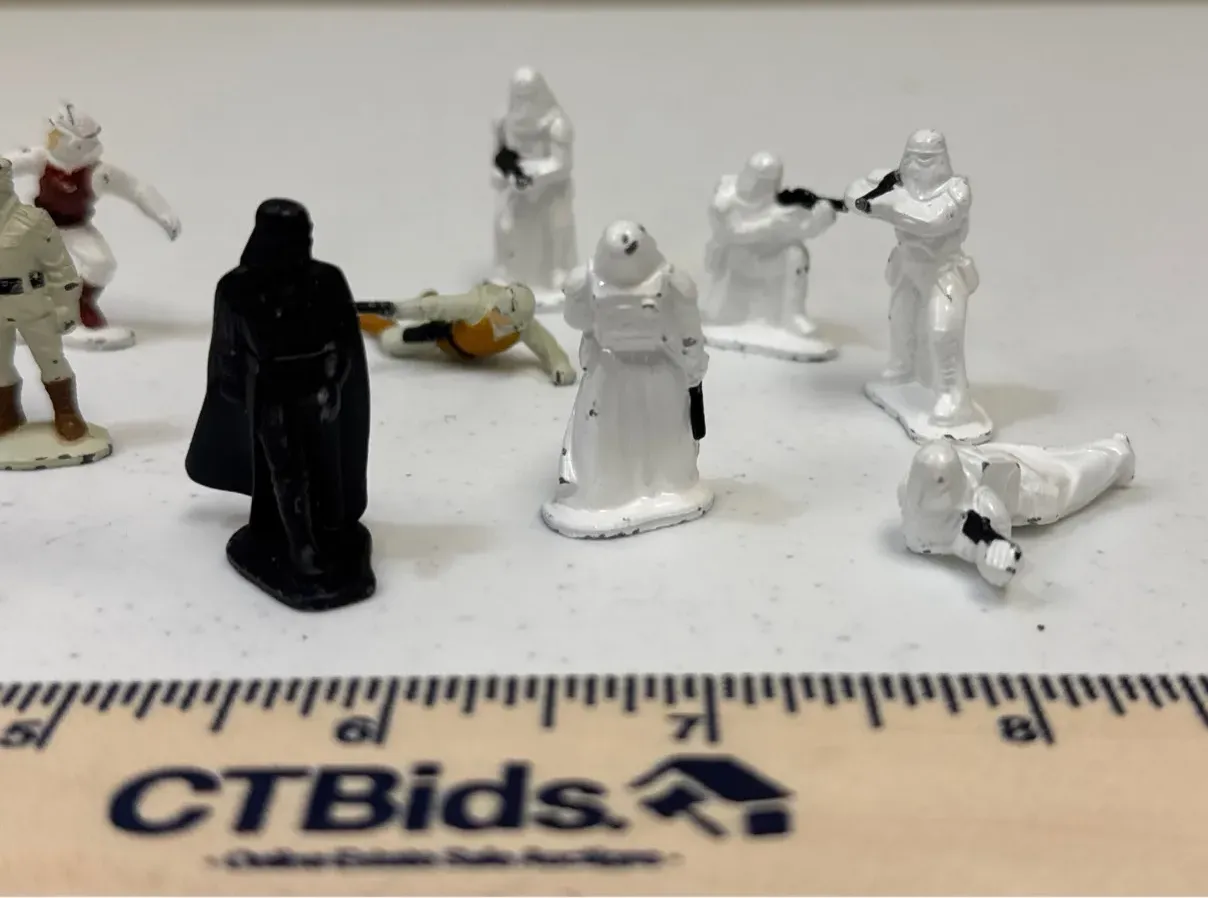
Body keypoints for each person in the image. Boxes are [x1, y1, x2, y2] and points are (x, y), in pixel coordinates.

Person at [185, 198, 374, 612]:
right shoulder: (237, 288)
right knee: (287, 473)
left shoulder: (325, 280)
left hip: (318, 388)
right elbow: (228, 349)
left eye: (305, 235)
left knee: (325, 465)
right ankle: (300, 545)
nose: (302, 244)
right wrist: (237, 392)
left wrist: (334, 384)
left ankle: (326, 530)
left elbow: (343, 339)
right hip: (271, 391)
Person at [542, 220, 712, 538]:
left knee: (663, 432)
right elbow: (577, 319)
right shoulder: (588, 279)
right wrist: (577, 296)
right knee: (607, 434)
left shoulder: (672, 282)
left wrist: (693, 368)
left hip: (660, 367)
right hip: (611, 369)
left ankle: (669, 487)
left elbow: (689, 331)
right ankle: (606, 493)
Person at [4, 102, 181, 351]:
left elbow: (136, 189)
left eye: (57, 135)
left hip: (75, 227)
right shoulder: (41, 158)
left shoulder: (98, 174)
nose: (50, 138)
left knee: (102, 263)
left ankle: (79, 304)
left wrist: (163, 214)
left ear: (74, 143)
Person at [846, 129, 987, 439]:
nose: (919, 165)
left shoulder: (956, 190)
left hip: (942, 270)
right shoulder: (894, 181)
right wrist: (879, 198)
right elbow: (854, 193)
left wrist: (884, 205)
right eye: (913, 157)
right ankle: (903, 369)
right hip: (907, 265)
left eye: (927, 158)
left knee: (944, 331)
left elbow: (932, 221)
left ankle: (952, 396)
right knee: (901, 321)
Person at [899, 434, 1136, 587]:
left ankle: (1118, 454)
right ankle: (1114, 451)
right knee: (1060, 466)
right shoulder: (909, 491)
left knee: (1071, 479)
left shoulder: (978, 509)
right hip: (988, 461)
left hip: (1025, 489)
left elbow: (994, 549)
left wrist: (997, 558)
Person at [702, 151, 839, 359]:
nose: (758, 186)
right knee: (717, 310)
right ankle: (723, 311)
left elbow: (800, 231)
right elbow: (729, 232)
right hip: (733, 260)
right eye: (756, 178)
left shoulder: (778, 204)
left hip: (769, 261)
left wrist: (818, 222)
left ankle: (792, 315)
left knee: (795, 254)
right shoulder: (725, 194)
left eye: (768, 182)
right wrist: (770, 224)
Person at [0, 157, 90, 443]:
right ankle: (6, 412)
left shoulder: (33, 220)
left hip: (31, 301)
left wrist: (66, 305)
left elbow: (59, 266)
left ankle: (66, 412)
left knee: (50, 358)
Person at [358, 281, 576, 385]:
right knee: (391, 343)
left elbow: (547, 347)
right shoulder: (476, 307)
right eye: (495, 309)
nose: (494, 315)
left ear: (517, 323)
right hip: (444, 337)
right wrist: (396, 309)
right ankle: (363, 319)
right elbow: (434, 306)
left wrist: (561, 366)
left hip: (470, 354)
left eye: (501, 314)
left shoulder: (523, 327)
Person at [491, 67, 577, 293]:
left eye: (529, 96)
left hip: (552, 189)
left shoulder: (557, 124)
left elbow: (563, 164)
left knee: (559, 222)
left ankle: (559, 269)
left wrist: (534, 174)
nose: (524, 103)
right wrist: (504, 174)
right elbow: (500, 158)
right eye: (519, 97)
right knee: (503, 223)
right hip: (517, 190)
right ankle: (505, 270)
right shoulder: (504, 122)